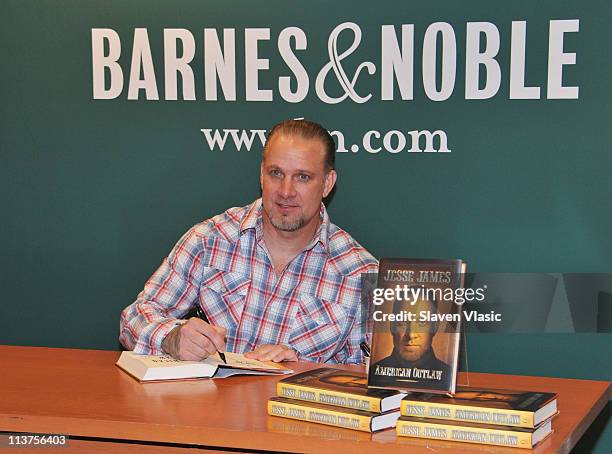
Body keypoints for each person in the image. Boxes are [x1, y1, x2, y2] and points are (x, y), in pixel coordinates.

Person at [119, 119, 377, 364]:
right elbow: (134, 317)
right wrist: (171, 337)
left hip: (297, 410)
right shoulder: (210, 240)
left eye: (302, 177)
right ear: (261, 174)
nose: (286, 191)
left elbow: (370, 374)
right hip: (207, 407)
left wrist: (304, 370)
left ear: (327, 183)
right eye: (276, 173)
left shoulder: (362, 273)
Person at [370, 296, 451, 387]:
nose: (411, 335)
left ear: (434, 327)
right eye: (402, 322)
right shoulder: (373, 374)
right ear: (392, 326)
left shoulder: (448, 376)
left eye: (422, 322)